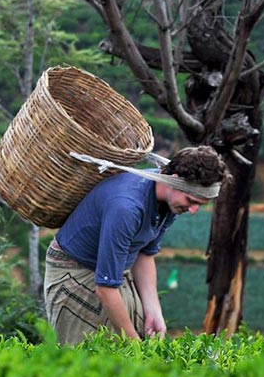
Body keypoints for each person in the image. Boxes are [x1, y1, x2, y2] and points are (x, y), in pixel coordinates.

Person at [44, 145, 228, 345]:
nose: (193, 210)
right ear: (173, 181)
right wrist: (133, 345)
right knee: (95, 354)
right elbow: (105, 287)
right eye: (191, 201)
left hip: (116, 272)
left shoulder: (170, 204)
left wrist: (154, 311)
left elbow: (145, 254)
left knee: (145, 336)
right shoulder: (127, 208)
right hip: (76, 270)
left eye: (199, 205)